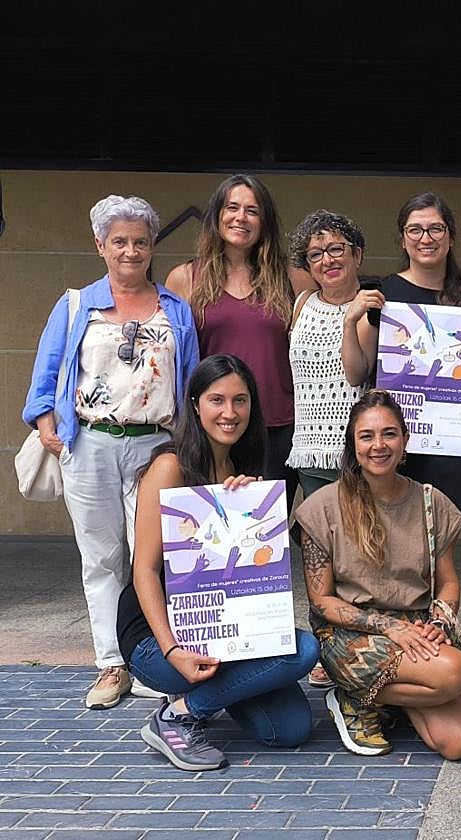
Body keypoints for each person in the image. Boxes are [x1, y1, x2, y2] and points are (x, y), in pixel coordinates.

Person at [23, 195, 199, 710]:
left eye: (140, 241)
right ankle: (112, 663)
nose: (130, 251)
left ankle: (152, 658)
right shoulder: (76, 304)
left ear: (153, 246)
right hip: (92, 443)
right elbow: (46, 373)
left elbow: (191, 379)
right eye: (119, 241)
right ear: (100, 245)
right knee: (101, 558)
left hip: (157, 447)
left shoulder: (176, 310)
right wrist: (46, 423)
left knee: (157, 557)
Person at [115, 355, 320, 771]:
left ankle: (196, 701)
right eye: (217, 400)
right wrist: (173, 651)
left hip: (224, 629)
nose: (230, 412)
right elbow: (143, 571)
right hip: (158, 637)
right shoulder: (170, 467)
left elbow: (252, 567)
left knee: (290, 729)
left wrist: (252, 509)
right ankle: (176, 717)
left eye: (240, 400)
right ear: (195, 405)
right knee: (302, 651)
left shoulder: (244, 469)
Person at [295, 390, 461, 760]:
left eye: (389, 434)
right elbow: (321, 601)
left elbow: (448, 582)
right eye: (366, 436)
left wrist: (440, 622)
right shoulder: (322, 507)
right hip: (349, 630)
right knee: (456, 672)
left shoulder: (430, 501)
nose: (378, 445)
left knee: (460, 743)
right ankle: (357, 694)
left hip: (415, 625)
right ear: (353, 444)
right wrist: (388, 627)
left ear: (405, 440)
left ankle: (368, 697)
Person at [340, 192, 461, 522]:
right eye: (415, 230)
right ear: (403, 239)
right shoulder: (382, 294)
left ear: (451, 236)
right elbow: (357, 373)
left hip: (452, 440)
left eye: (435, 229)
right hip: (394, 445)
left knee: (447, 534)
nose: (425, 238)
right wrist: (350, 320)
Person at [166, 174, 313, 509]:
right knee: (211, 525)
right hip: (212, 427)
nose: (241, 217)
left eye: (252, 210)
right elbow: (171, 358)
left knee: (265, 525)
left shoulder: (294, 279)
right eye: (232, 208)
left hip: (277, 427)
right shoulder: (185, 278)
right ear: (217, 215)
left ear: (265, 221)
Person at [286, 210, 369, 497]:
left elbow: (357, 375)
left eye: (336, 249)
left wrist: (350, 321)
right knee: (317, 525)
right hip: (307, 451)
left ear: (357, 255)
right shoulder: (302, 303)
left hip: (356, 455)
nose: (327, 260)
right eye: (316, 254)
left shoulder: (369, 306)